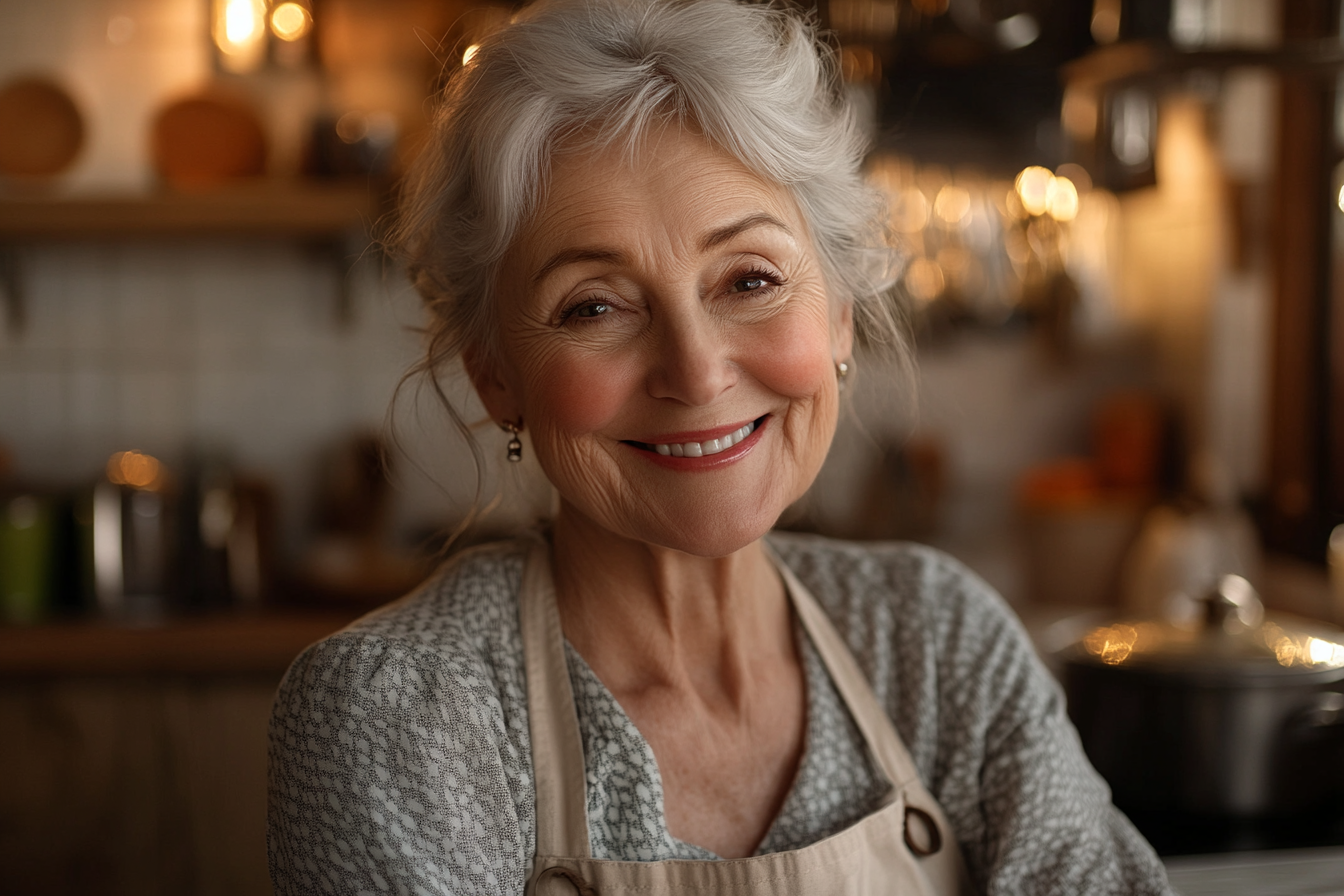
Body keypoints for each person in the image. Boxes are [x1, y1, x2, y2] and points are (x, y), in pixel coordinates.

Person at [267, 1, 1173, 893]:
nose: (696, 374)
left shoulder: (940, 648)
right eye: (594, 304)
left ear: (840, 316)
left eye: (749, 279)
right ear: (496, 373)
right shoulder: (403, 715)